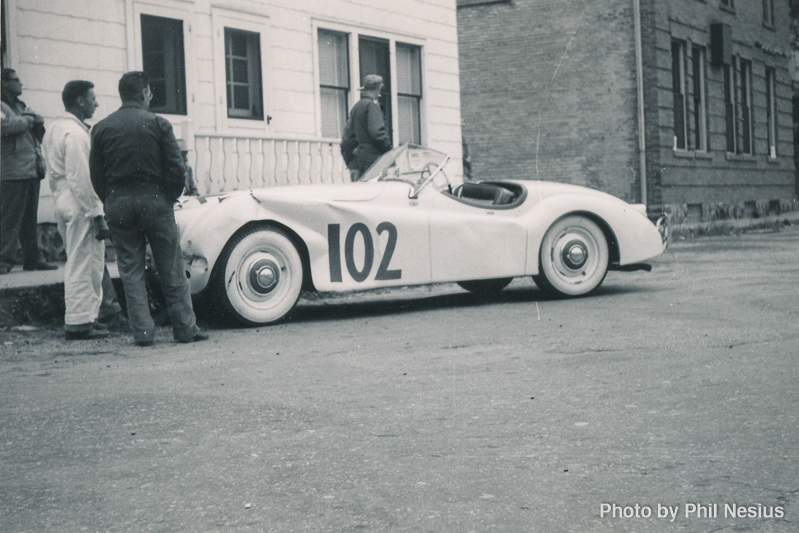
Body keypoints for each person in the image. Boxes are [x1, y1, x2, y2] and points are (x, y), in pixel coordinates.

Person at [90, 71, 207, 347]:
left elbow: (96, 174)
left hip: (118, 203)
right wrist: (168, 197)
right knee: (170, 266)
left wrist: (110, 199)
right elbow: (175, 168)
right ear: (145, 93)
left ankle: (142, 332)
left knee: (130, 269)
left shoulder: (102, 128)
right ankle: (185, 328)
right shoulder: (159, 124)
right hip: (154, 201)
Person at [42, 80, 112, 340]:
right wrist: (97, 213)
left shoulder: (55, 129)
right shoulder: (75, 134)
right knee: (82, 261)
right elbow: (81, 179)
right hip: (78, 199)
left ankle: (88, 317)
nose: (96, 103)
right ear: (80, 101)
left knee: (88, 259)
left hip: (62, 196)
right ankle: (78, 322)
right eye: (92, 98)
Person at [1, 68, 57, 274]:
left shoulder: (20, 105)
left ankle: (33, 258)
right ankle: (3, 261)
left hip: (31, 169)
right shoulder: (2, 105)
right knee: (10, 219)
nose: (20, 84)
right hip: (11, 171)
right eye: (15, 80)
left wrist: (36, 120)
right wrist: (27, 120)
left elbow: (35, 126)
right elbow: (3, 126)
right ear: (4, 83)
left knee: (29, 219)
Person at [340, 74, 392, 181]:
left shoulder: (356, 107)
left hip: (359, 160)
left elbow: (346, 139)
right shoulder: (372, 106)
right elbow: (378, 133)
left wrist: (350, 161)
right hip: (374, 160)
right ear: (378, 89)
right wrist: (390, 151)